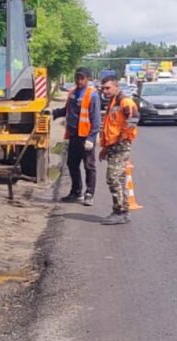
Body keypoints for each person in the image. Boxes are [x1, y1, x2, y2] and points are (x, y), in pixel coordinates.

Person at [53, 67, 101, 206]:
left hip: (85, 137)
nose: (79, 81)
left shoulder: (92, 95)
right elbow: (66, 110)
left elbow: (96, 120)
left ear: (88, 79)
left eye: (82, 78)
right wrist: (53, 113)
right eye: (77, 78)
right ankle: (76, 191)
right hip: (73, 135)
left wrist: (91, 138)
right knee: (72, 164)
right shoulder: (72, 93)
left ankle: (89, 193)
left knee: (89, 166)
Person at [99, 76, 139, 224]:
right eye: (103, 88)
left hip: (121, 145)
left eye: (108, 88)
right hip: (113, 146)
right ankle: (124, 211)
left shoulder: (125, 101)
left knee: (112, 177)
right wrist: (104, 148)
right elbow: (110, 127)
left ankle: (119, 211)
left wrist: (122, 137)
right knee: (119, 179)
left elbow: (134, 119)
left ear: (116, 87)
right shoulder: (112, 103)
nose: (105, 91)